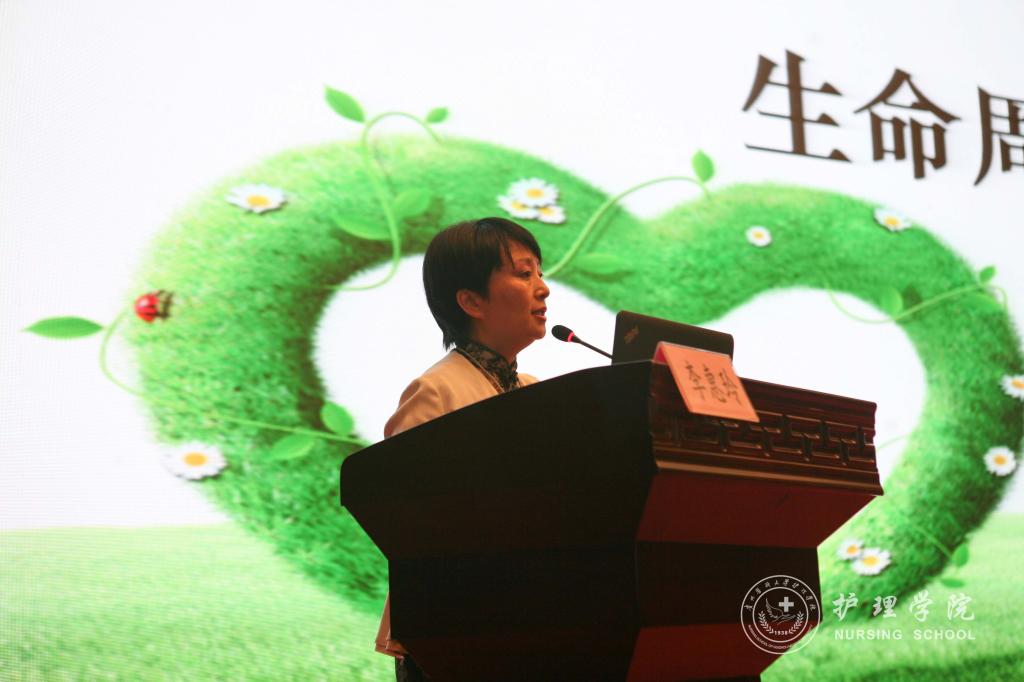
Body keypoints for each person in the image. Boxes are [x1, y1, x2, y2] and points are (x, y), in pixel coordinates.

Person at [374, 217, 550, 682]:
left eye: (540, 272)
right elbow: (403, 520)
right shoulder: (436, 391)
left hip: (526, 624)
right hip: (450, 635)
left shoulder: (536, 391)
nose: (543, 288)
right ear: (471, 301)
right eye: (524, 273)